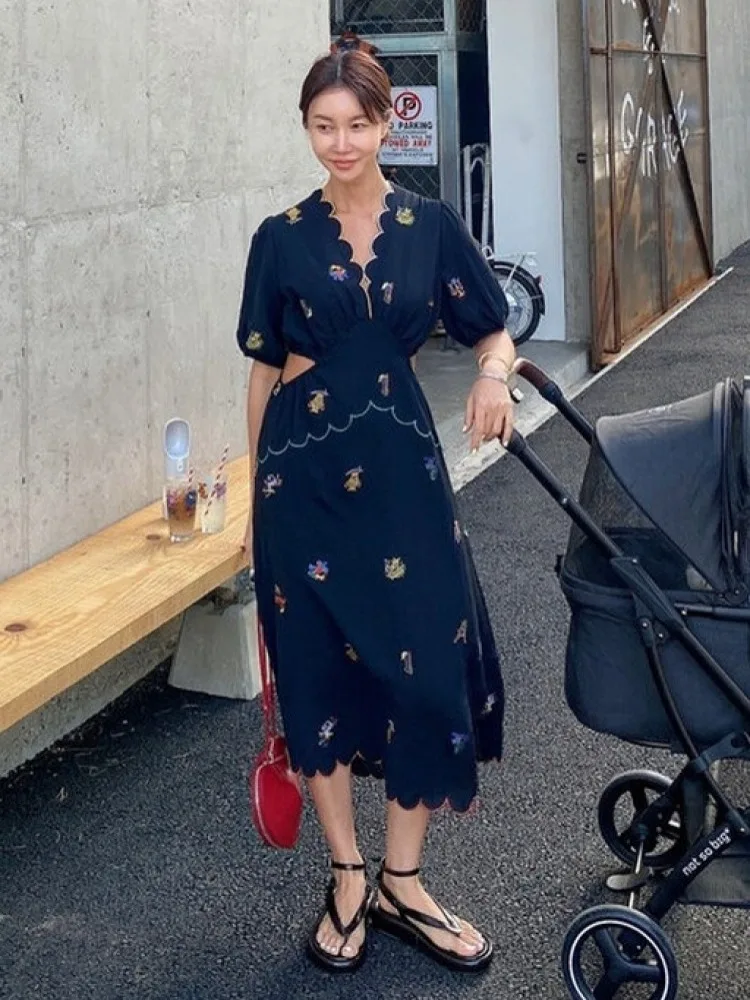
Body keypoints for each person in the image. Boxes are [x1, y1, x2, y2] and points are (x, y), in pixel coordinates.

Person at [236, 44, 515, 975]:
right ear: (306, 128)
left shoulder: (431, 226)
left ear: (388, 122)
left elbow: (492, 326)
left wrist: (494, 375)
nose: (341, 142)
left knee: (428, 677)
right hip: (301, 485)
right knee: (317, 676)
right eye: (323, 126)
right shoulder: (279, 237)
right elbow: (262, 372)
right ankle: (349, 876)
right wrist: (255, 500)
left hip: (403, 480)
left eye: (357, 124)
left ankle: (404, 879)